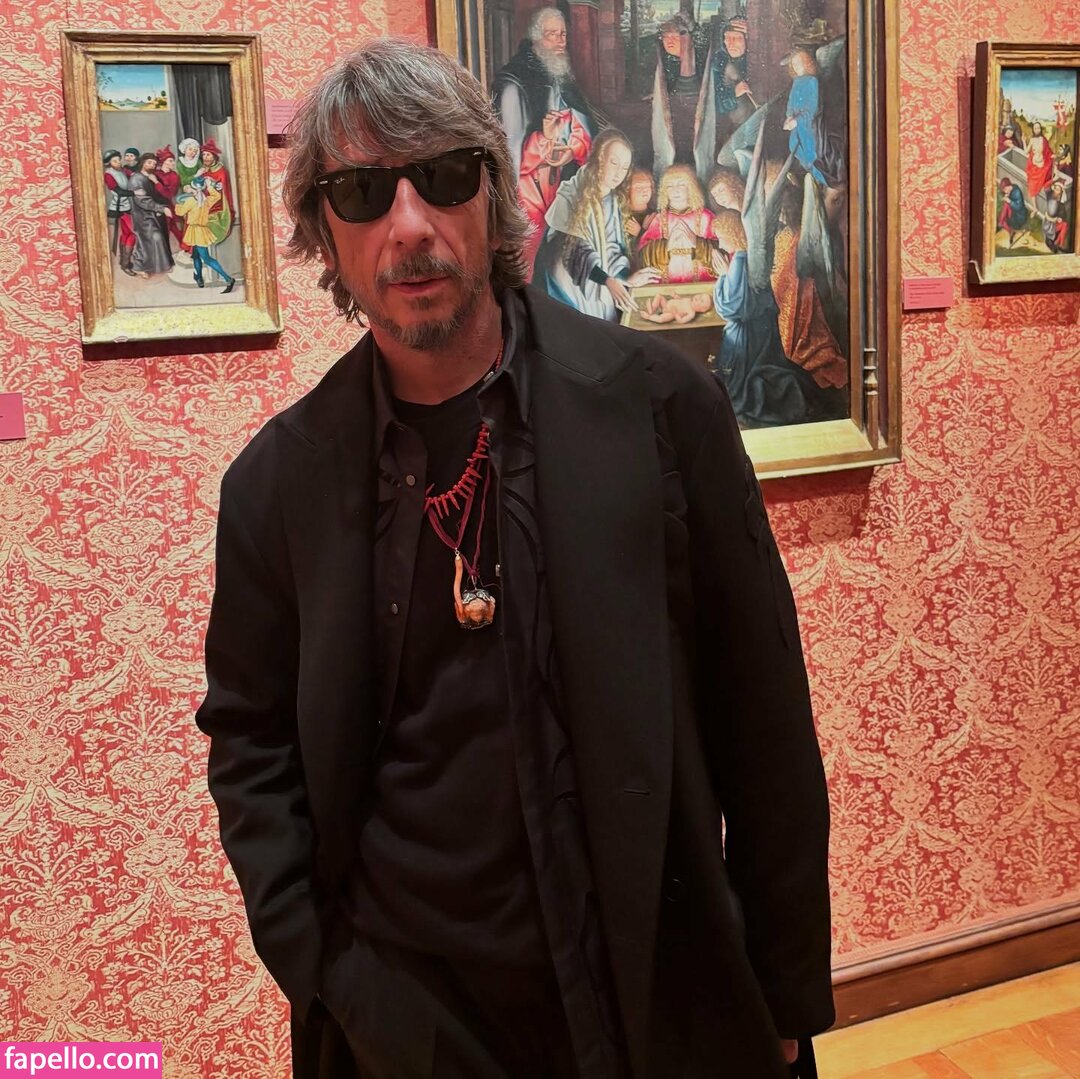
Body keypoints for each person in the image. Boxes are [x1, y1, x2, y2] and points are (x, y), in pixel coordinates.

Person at [197, 38, 833, 1079]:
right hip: (413, 1031)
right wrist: (326, 971)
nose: (409, 224)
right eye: (362, 193)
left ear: (493, 194)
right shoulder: (277, 487)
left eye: (443, 176)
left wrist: (785, 989)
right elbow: (251, 746)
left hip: (662, 995)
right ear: (324, 233)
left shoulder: (662, 410)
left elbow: (763, 712)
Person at [492, 6, 594, 275]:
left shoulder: (559, 75)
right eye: (552, 35)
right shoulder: (513, 85)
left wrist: (572, 150)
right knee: (526, 265)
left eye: (563, 34)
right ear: (536, 38)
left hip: (560, 187)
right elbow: (510, 154)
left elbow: (581, 125)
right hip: (529, 194)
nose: (560, 41)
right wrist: (544, 140)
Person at [535, 128, 660, 320]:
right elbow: (572, 251)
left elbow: (612, 249)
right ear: (600, 159)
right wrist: (608, 280)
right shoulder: (571, 194)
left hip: (599, 284)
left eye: (624, 168)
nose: (619, 173)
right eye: (614, 163)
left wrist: (625, 278)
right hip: (566, 286)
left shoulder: (612, 200)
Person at [638, 164, 718, 283]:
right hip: (666, 288)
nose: (675, 190)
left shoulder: (706, 217)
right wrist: (666, 247)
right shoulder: (659, 219)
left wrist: (697, 244)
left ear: (691, 187)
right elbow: (642, 255)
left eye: (681, 185)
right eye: (670, 186)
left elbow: (724, 250)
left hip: (703, 287)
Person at [173, 176, 237, 292]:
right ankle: (199, 277)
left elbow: (180, 212)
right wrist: (209, 186)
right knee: (196, 255)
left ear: (193, 188)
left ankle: (228, 279)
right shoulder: (206, 200)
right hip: (199, 230)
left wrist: (177, 204)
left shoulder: (190, 201)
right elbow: (217, 196)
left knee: (206, 259)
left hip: (196, 231)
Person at [128, 152, 173, 277]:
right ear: (143, 163)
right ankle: (140, 266)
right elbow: (142, 200)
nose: (152, 165)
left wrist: (163, 205)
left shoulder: (152, 177)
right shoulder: (136, 179)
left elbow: (159, 193)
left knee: (159, 237)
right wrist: (161, 208)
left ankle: (161, 266)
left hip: (154, 213)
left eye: (154, 163)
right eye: (149, 162)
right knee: (150, 239)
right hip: (142, 215)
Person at [103, 149, 136, 278]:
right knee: (133, 233)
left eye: (118, 160)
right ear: (109, 163)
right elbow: (119, 191)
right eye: (114, 161)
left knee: (127, 233)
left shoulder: (122, 170)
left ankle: (124, 262)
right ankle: (126, 264)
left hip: (128, 204)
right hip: (121, 206)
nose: (118, 162)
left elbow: (132, 175)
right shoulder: (109, 175)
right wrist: (134, 193)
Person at [198, 138, 236, 243]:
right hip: (205, 199)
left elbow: (223, 193)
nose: (205, 157)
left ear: (214, 157)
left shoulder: (221, 171)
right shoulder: (204, 170)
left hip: (217, 203)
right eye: (204, 155)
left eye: (208, 155)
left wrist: (211, 186)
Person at [1025, 121, 1054, 200]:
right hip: (1034, 167)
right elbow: (1026, 152)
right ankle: (1034, 206)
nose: (1037, 130)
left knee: (1043, 184)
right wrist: (1023, 141)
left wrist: (1053, 156)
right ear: (1033, 130)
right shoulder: (1032, 140)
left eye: (1038, 128)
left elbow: (1048, 152)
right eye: (1035, 128)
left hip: (1042, 166)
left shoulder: (1043, 139)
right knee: (1031, 187)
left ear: (1040, 129)